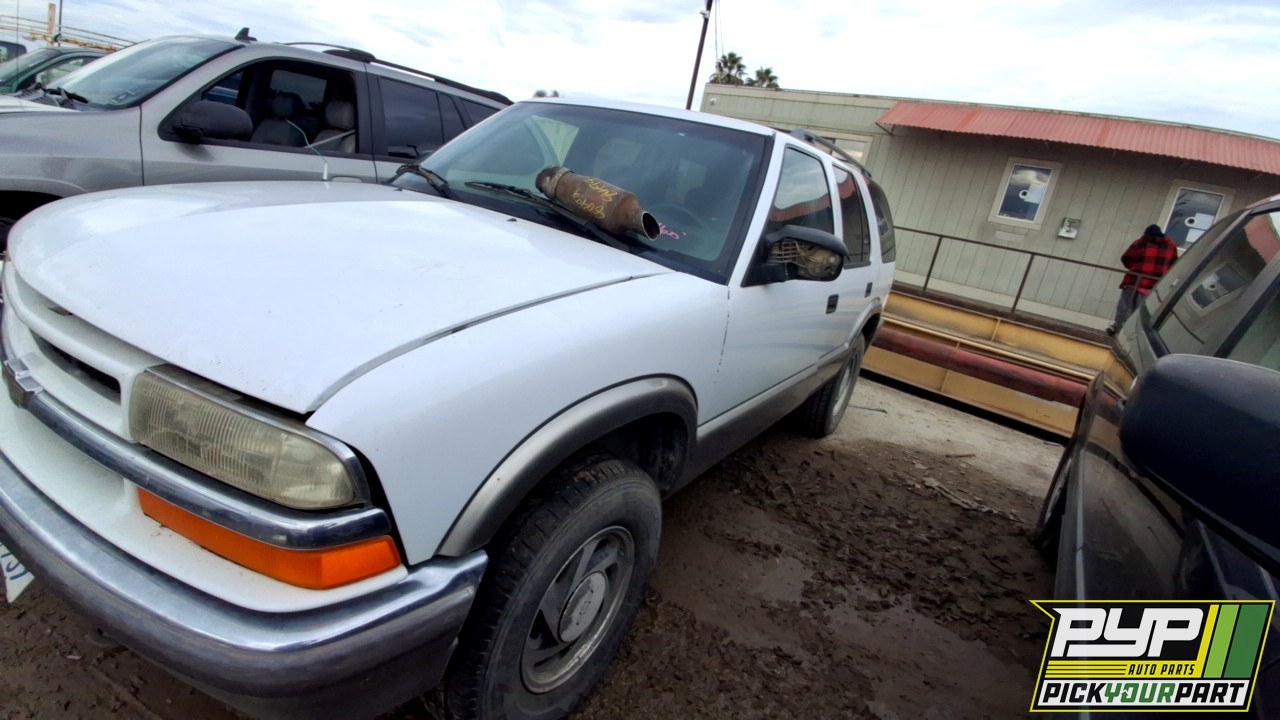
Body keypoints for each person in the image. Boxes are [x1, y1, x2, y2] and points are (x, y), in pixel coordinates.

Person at [1107, 224, 1178, 335]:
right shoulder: (1171, 246)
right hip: (1153, 285)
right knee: (1140, 313)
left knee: (1125, 308)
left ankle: (1118, 330)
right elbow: (1173, 264)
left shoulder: (1140, 243)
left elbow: (1125, 258)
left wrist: (1134, 267)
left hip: (1133, 281)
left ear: (1146, 234)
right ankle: (1131, 334)